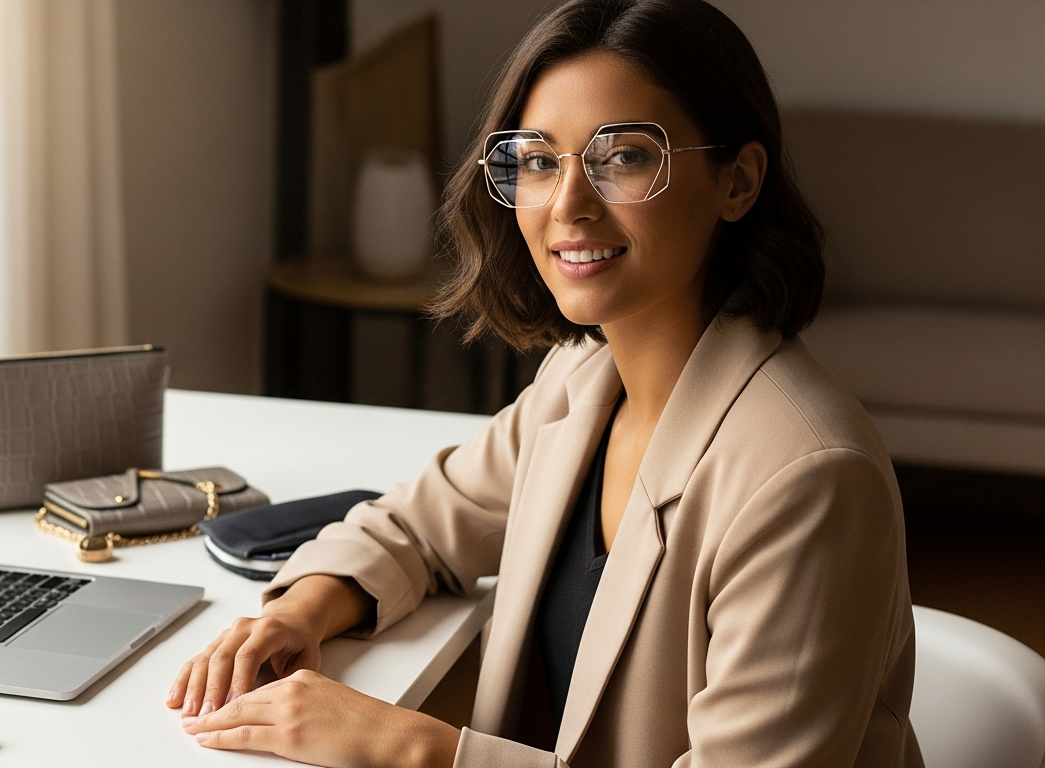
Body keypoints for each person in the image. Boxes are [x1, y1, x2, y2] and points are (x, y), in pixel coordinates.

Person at [168, 0, 921, 765]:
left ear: (739, 181)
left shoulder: (810, 480)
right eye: (537, 160)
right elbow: (422, 524)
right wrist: (300, 611)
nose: (568, 204)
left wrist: (412, 747)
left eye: (624, 156)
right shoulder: (583, 378)